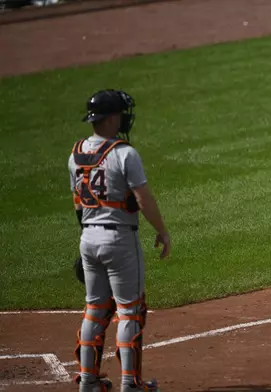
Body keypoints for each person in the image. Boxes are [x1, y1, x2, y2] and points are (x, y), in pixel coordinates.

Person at [68, 89, 171, 392]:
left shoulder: (75, 155)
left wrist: (89, 238)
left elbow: (78, 205)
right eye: (122, 112)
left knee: (95, 309)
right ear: (112, 117)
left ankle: (88, 381)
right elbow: (143, 198)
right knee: (130, 312)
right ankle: (131, 383)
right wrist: (162, 231)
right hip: (120, 241)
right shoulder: (124, 153)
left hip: (88, 238)